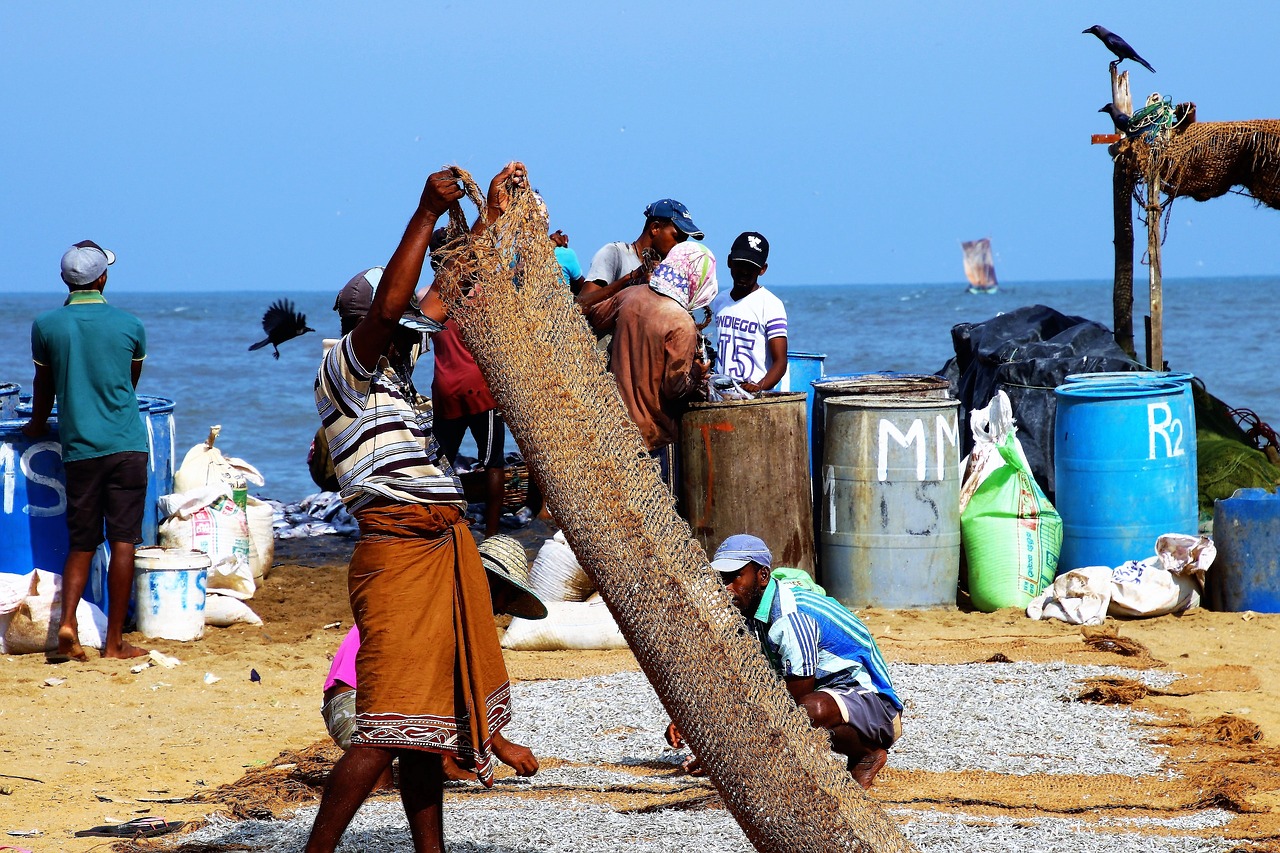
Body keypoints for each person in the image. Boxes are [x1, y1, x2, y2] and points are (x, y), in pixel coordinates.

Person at [307, 162, 530, 853]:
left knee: (422, 727)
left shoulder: (398, 374)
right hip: (398, 554)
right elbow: (395, 306)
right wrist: (424, 211)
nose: (413, 331)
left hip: (439, 549)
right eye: (399, 324)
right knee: (385, 728)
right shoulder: (346, 368)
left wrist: (490, 217)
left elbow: (446, 292)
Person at [666, 534, 903, 789]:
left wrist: (725, 751)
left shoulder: (790, 617)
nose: (725, 587)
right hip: (834, 697)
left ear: (763, 576)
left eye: (734, 577)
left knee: (808, 711)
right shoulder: (751, 611)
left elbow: (791, 704)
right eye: (720, 579)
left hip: (878, 709)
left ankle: (865, 752)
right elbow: (737, 677)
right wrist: (694, 719)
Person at [323, 534, 546, 786]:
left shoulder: (439, 600)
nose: (502, 609)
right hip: (355, 705)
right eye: (507, 597)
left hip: (361, 701)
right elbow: (442, 686)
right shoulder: (441, 610)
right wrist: (501, 745)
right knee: (378, 782)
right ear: (489, 585)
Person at [24, 240, 149, 662]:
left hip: (80, 449)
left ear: (64, 279)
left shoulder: (46, 326)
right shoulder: (130, 325)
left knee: (82, 543)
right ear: (104, 277)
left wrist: (37, 426)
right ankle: (114, 643)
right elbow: (129, 383)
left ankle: (68, 623)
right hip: (127, 444)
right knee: (124, 542)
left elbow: (44, 388)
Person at [581, 241, 717, 490]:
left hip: (616, 427)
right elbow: (674, 388)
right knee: (656, 515)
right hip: (653, 437)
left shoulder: (631, 296)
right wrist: (698, 373)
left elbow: (596, 315)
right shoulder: (681, 323)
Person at [416, 227, 506, 537]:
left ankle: (434, 525)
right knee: (492, 461)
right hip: (482, 389)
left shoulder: (426, 298)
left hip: (446, 390)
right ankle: (492, 534)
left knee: (441, 463)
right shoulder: (484, 294)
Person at [575, 198, 704, 309]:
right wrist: (632, 279)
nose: (679, 245)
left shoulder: (666, 272)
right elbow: (581, 304)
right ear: (655, 228)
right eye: (676, 237)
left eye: (683, 241)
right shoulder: (615, 254)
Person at [710, 231, 788, 392]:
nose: (744, 272)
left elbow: (780, 362)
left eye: (751, 267)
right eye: (740, 265)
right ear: (729, 262)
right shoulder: (720, 301)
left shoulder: (771, 304)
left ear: (762, 269)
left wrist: (758, 387)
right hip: (721, 393)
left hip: (754, 399)